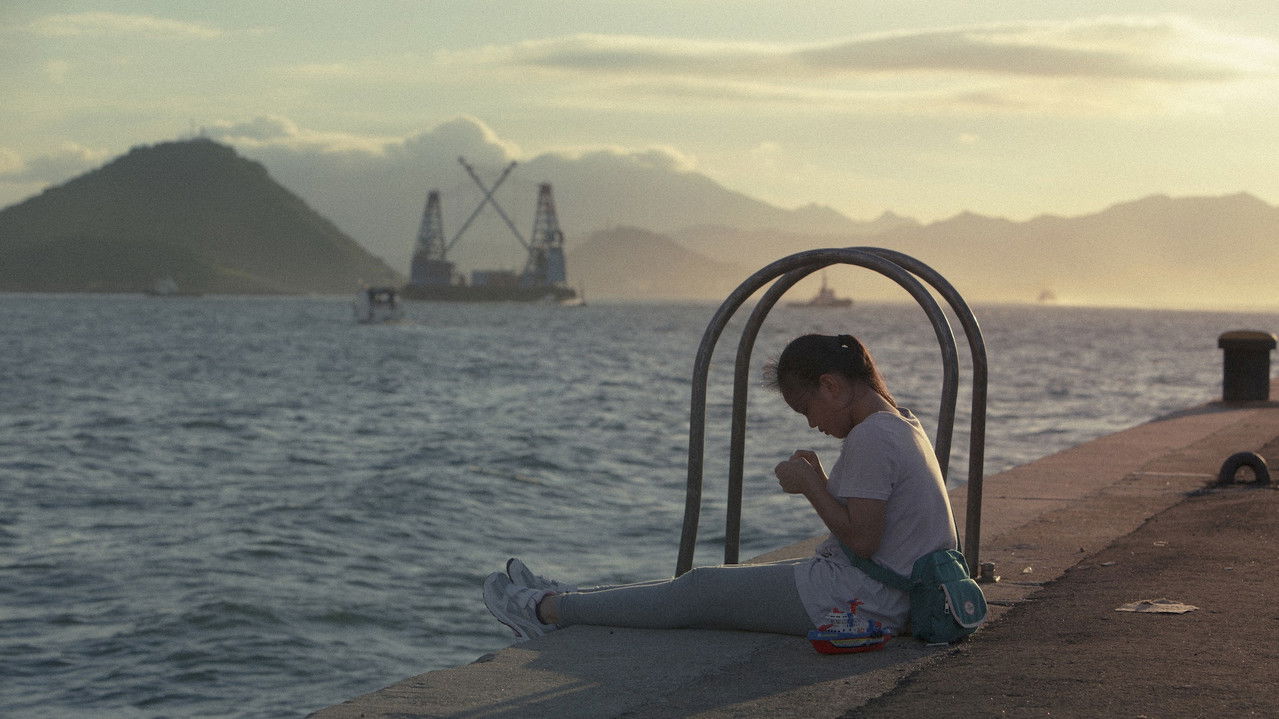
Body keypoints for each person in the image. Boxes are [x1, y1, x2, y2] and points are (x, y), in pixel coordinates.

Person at [482, 333, 958, 641]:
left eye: (806, 408)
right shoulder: (900, 424)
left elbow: (863, 539)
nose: (812, 423)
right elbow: (877, 531)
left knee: (700, 590)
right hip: (882, 593)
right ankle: (575, 598)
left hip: (862, 602)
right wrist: (823, 482)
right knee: (699, 587)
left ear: (831, 386)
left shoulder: (872, 435)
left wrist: (813, 487)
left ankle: (545, 611)